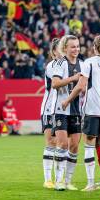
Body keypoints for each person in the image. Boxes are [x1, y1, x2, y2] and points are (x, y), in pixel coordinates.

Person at [62, 35, 100, 191]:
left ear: (94, 47)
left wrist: (68, 100)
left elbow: (81, 86)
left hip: (93, 110)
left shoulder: (89, 63)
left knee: (89, 147)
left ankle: (90, 183)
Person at [50, 35, 83, 191]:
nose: (76, 49)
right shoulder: (60, 63)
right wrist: (73, 78)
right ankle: (58, 181)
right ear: (65, 48)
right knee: (62, 144)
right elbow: (55, 83)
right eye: (72, 46)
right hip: (60, 109)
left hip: (76, 110)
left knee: (75, 146)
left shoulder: (83, 64)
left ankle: (68, 181)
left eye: (77, 46)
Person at [41, 38, 61, 188]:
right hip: (50, 108)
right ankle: (48, 179)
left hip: (65, 109)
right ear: (54, 52)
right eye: (60, 48)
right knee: (51, 142)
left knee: (63, 144)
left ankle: (60, 179)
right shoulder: (52, 66)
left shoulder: (70, 65)